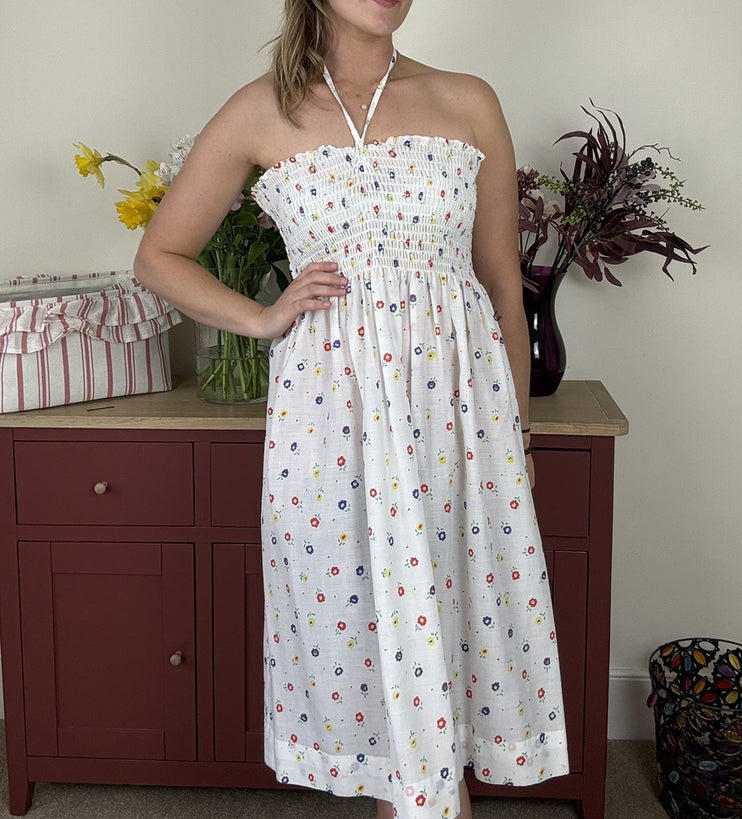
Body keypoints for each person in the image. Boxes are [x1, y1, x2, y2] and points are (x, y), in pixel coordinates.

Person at [134, 2, 569, 817]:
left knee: (453, 638)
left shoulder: (468, 100)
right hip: (331, 425)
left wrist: (517, 438)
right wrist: (262, 316)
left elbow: (505, 291)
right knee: (366, 644)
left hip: (458, 424)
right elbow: (158, 255)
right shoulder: (260, 111)